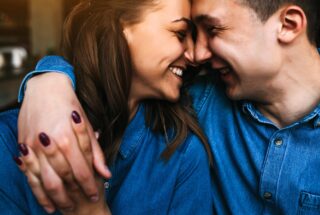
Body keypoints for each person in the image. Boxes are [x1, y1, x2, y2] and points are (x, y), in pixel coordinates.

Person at [11, 0, 320, 214]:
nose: (197, 55)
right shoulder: (194, 102)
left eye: (212, 29)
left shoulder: (194, 114)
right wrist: (49, 81)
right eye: (185, 33)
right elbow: (114, 71)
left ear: (288, 25)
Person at [0, 0, 213, 214]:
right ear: (122, 26)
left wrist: (92, 210)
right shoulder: (8, 141)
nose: (193, 56)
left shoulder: (184, 155)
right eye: (180, 34)